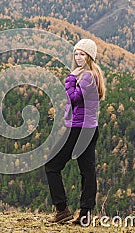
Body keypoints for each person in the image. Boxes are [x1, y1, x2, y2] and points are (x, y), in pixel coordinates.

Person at [45, 38, 106, 225]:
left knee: (52, 165)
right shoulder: (92, 74)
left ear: (90, 57)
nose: (78, 57)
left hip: (79, 129)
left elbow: (73, 97)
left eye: (82, 54)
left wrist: (70, 78)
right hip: (88, 129)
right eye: (76, 54)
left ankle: (62, 210)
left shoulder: (86, 76)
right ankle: (85, 214)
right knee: (87, 171)